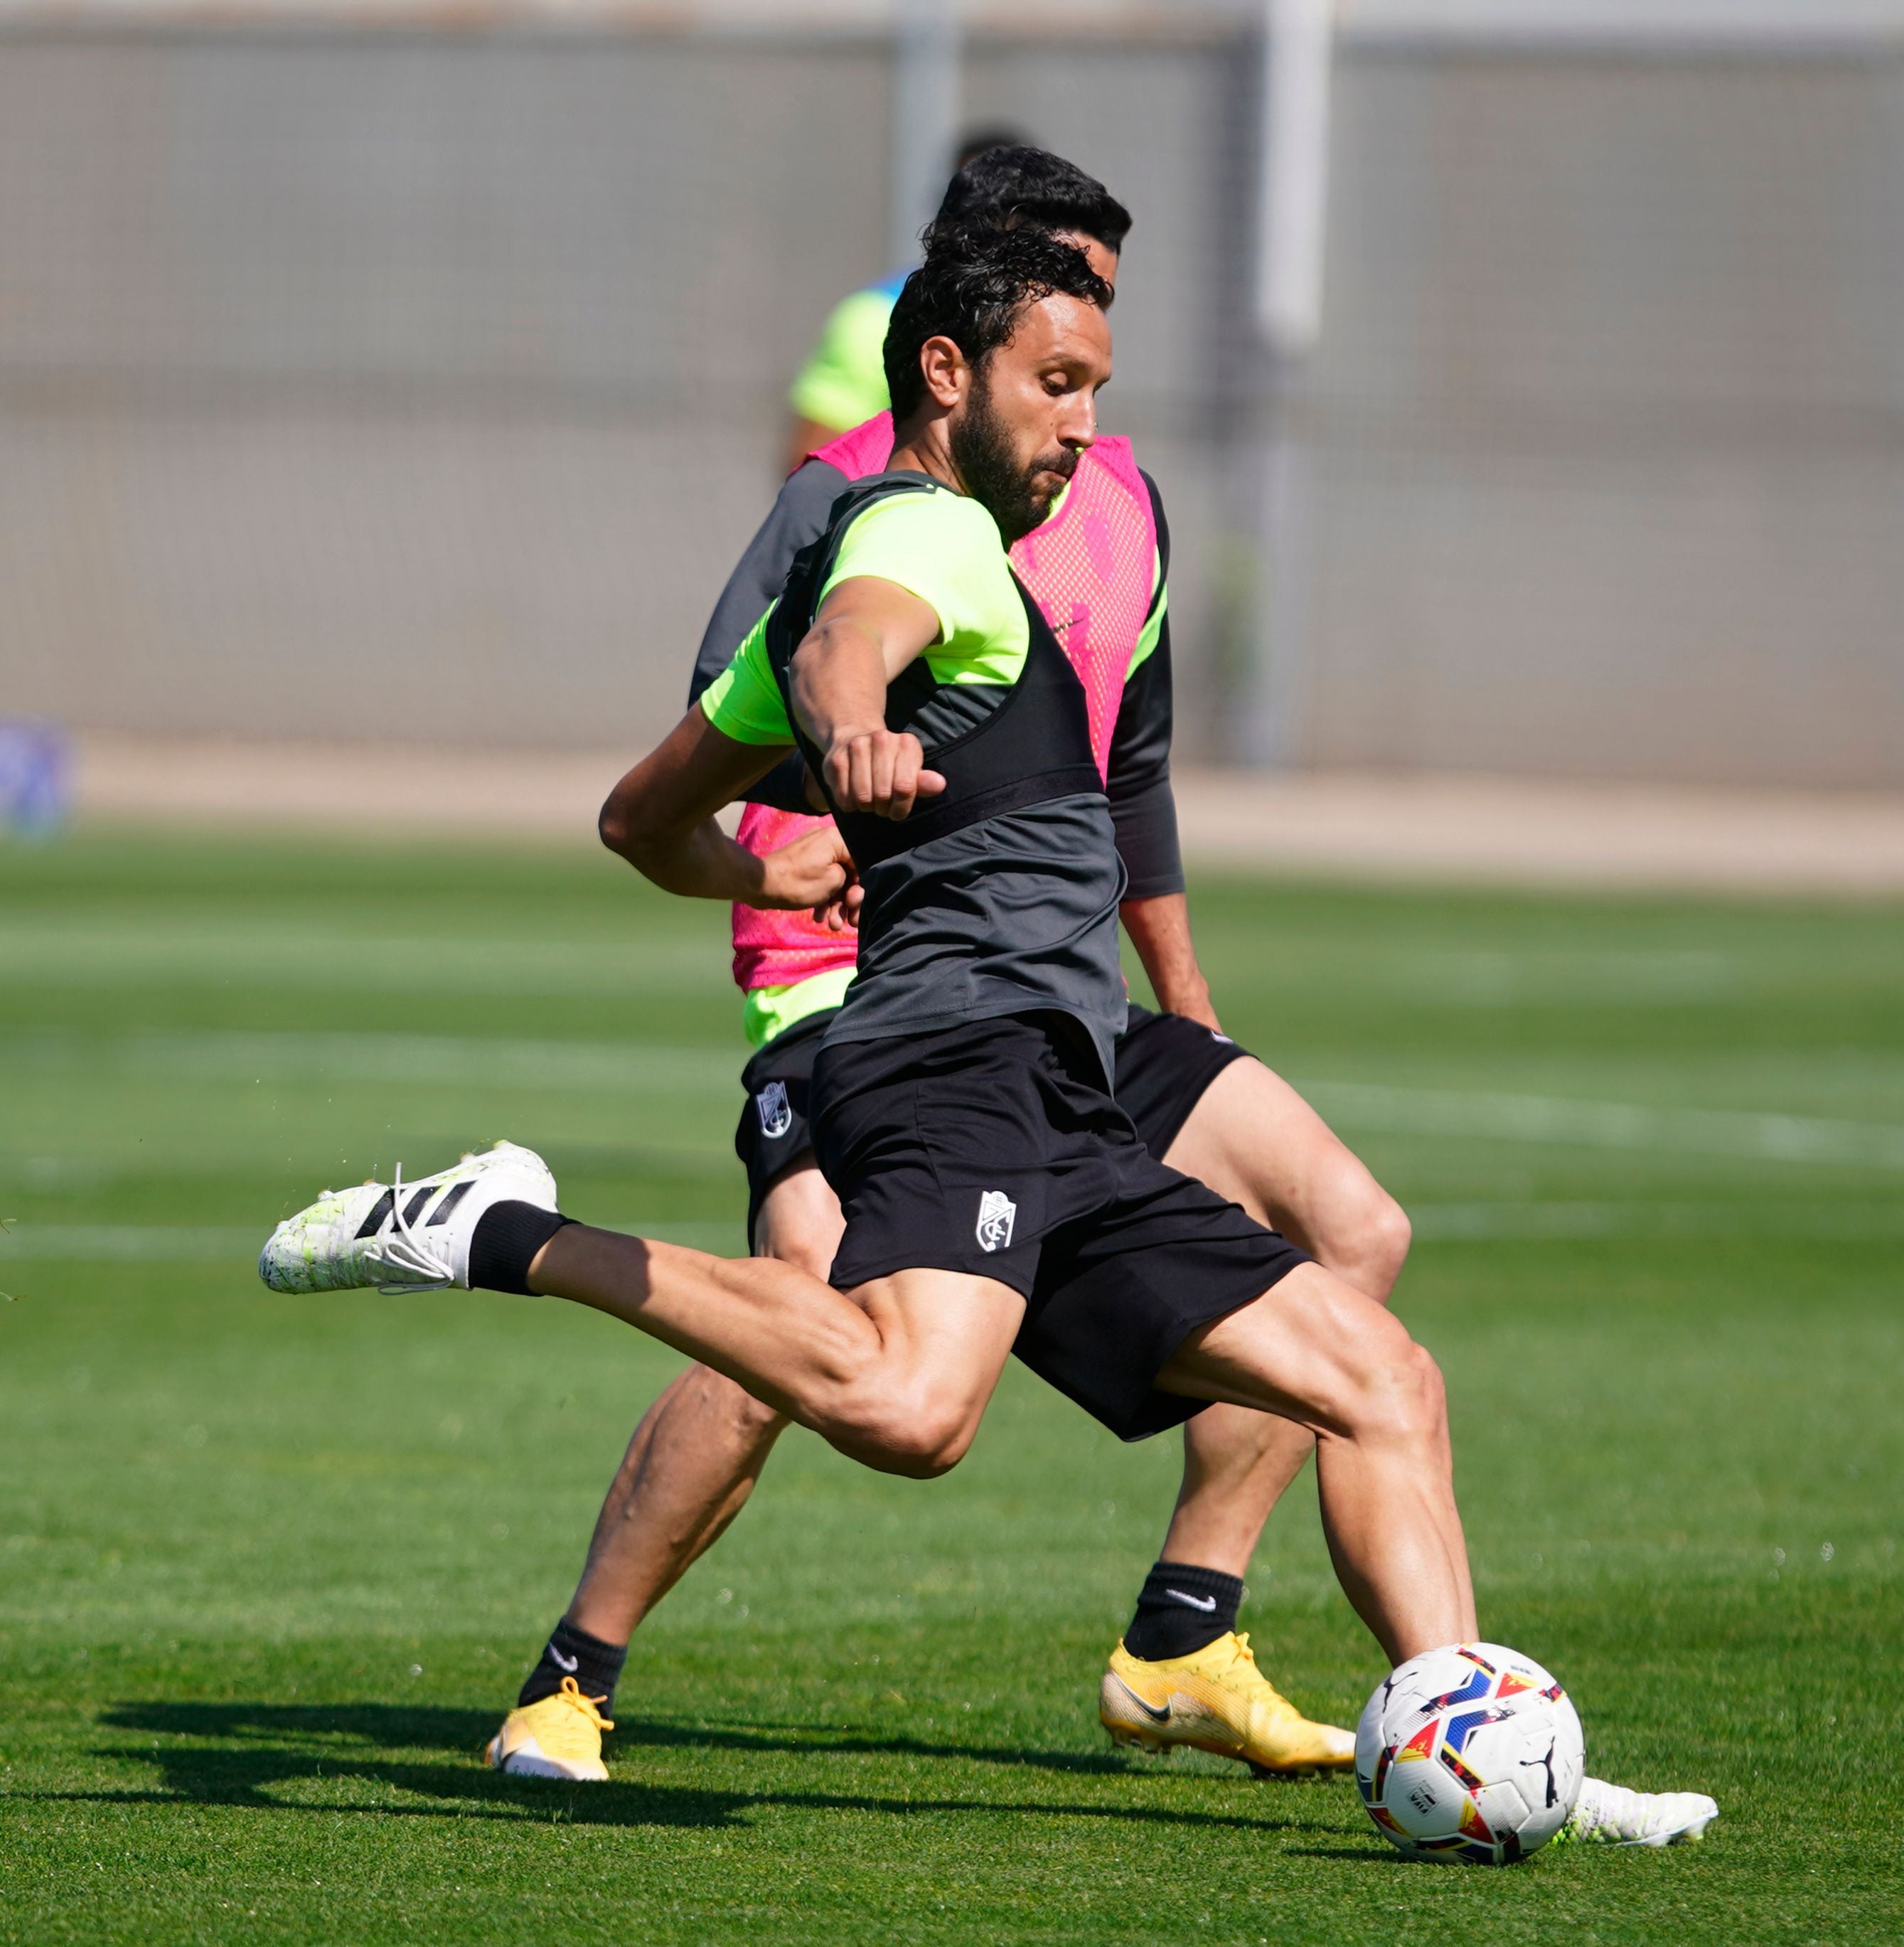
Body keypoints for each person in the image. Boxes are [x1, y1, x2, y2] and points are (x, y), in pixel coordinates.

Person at [261, 222, 1716, 1850]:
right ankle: (504, 1238)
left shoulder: (1057, 529)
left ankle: (1485, 1740)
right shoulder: (916, 533)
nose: (1086, 421)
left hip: (1069, 1070)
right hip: (935, 1051)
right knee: (903, 1411)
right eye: (1061, 381)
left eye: (1098, 380)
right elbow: (838, 646)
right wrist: (848, 740)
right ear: (947, 372)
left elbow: (635, 819)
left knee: (1382, 1376)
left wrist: (763, 845)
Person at [478, 151, 1411, 1788]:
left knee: (1351, 1227)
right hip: (850, 986)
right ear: (965, 317)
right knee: (817, 1318)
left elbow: (1130, 770)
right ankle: (575, 1674)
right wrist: (821, 809)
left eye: (1105, 313)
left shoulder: (1119, 498)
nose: (1087, 356)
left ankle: (1186, 1625)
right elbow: (743, 714)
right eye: (1060, 309)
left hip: (1061, 997)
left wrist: (1184, 1002)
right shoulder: (853, 498)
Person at [783, 127, 1031, 472]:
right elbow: (813, 473)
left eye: (1013, 206)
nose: (990, 222)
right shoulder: (874, 318)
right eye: (972, 201)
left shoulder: (1067, 323)